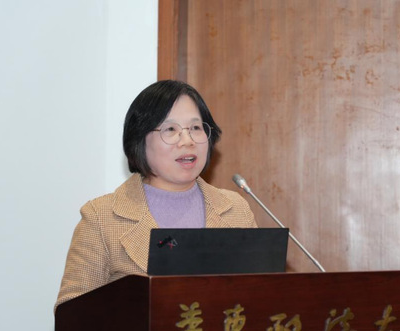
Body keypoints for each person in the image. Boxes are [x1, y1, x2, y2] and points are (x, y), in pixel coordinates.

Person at [55, 80, 257, 309]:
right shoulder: (101, 218)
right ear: (139, 139)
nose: (188, 141)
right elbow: (71, 314)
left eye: (195, 128)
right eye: (170, 130)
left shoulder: (236, 209)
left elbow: (261, 298)